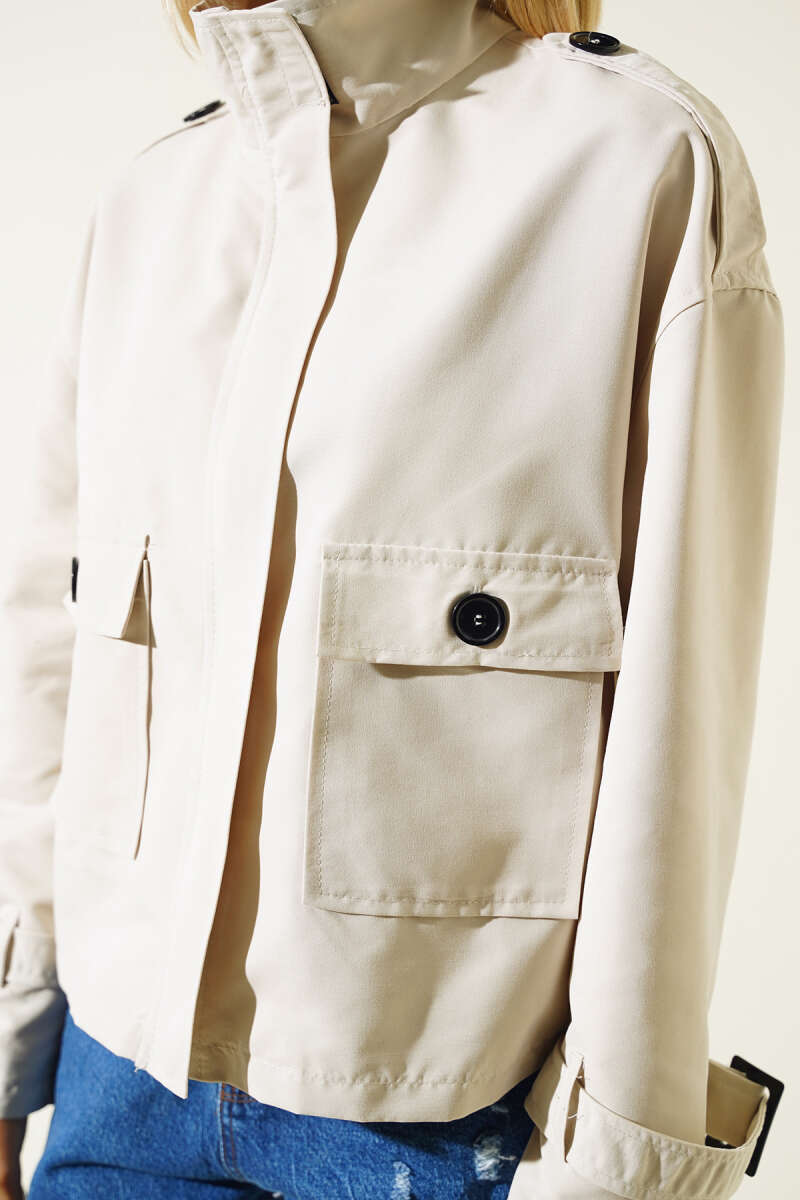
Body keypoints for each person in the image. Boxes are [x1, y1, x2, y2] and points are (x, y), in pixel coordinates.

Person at [0, 0, 785, 1196]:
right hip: (114, 1081)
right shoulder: (153, 202)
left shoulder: (633, 164)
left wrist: (617, 1166)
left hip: (430, 1123)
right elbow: (51, 671)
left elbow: (680, 727)